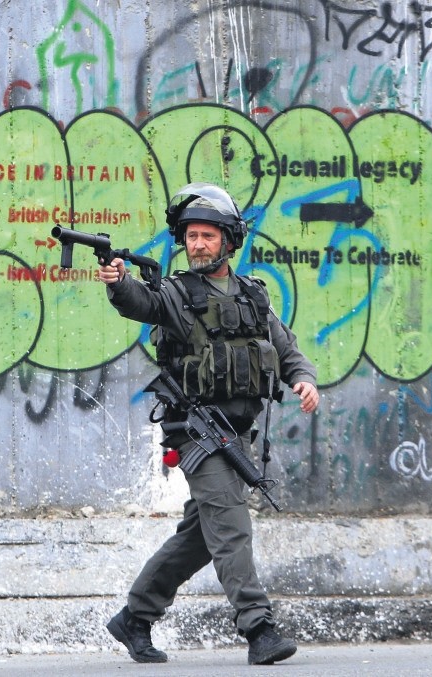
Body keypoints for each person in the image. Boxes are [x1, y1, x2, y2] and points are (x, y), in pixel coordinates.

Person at [98, 182, 319, 665]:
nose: (197, 244)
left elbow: (286, 350)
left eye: (208, 236)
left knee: (203, 535)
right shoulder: (177, 294)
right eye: (191, 236)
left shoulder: (252, 297)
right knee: (232, 525)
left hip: (237, 432)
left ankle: (135, 617)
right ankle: (259, 628)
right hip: (196, 431)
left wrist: (304, 380)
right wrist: (118, 282)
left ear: (229, 241)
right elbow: (141, 302)